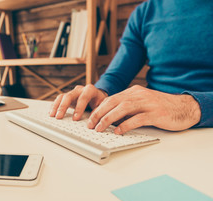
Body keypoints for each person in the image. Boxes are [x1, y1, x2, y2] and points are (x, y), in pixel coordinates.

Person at [49, 0, 213, 135]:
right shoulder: (145, 12)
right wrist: (100, 92)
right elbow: (116, 77)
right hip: (150, 129)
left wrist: (190, 107)